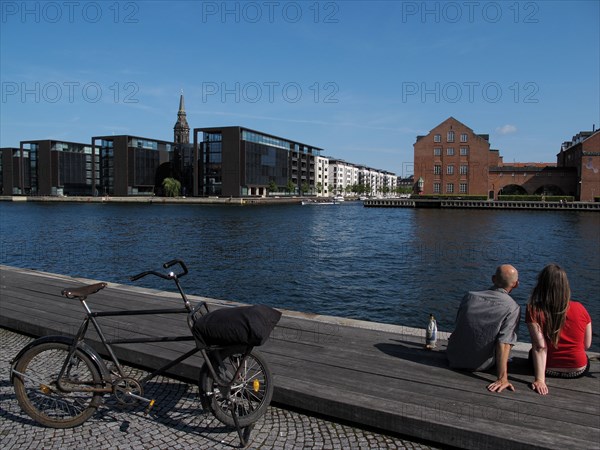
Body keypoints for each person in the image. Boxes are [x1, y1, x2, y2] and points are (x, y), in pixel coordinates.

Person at [446, 264, 521, 393]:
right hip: (479, 365)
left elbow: (459, 324)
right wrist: (502, 378)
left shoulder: (469, 296)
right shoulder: (512, 307)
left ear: (493, 279)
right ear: (516, 284)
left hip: (453, 357)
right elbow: (504, 343)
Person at [526, 264, 592, 395]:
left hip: (547, 369)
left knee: (531, 352)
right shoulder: (580, 307)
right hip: (578, 370)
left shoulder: (533, 310)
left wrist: (540, 380)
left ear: (541, 285)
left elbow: (540, 347)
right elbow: (587, 345)